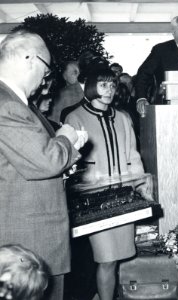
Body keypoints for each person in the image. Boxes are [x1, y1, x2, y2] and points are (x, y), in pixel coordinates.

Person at [0, 30, 85, 300]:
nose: (46, 80)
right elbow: (47, 161)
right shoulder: (7, 106)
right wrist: (66, 139)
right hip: (28, 238)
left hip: (31, 231)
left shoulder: (17, 103)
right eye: (46, 70)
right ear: (29, 59)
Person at [65, 68, 150, 300]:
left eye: (112, 86)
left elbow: (133, 156)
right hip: (94, 200)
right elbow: (72, 163)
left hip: (123, 196)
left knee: (120, 257)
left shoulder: (122, 117)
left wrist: (141, 186)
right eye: (103, 85)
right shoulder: (75, 117)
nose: (109, 91)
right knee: (106, 258)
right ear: (92, 86)